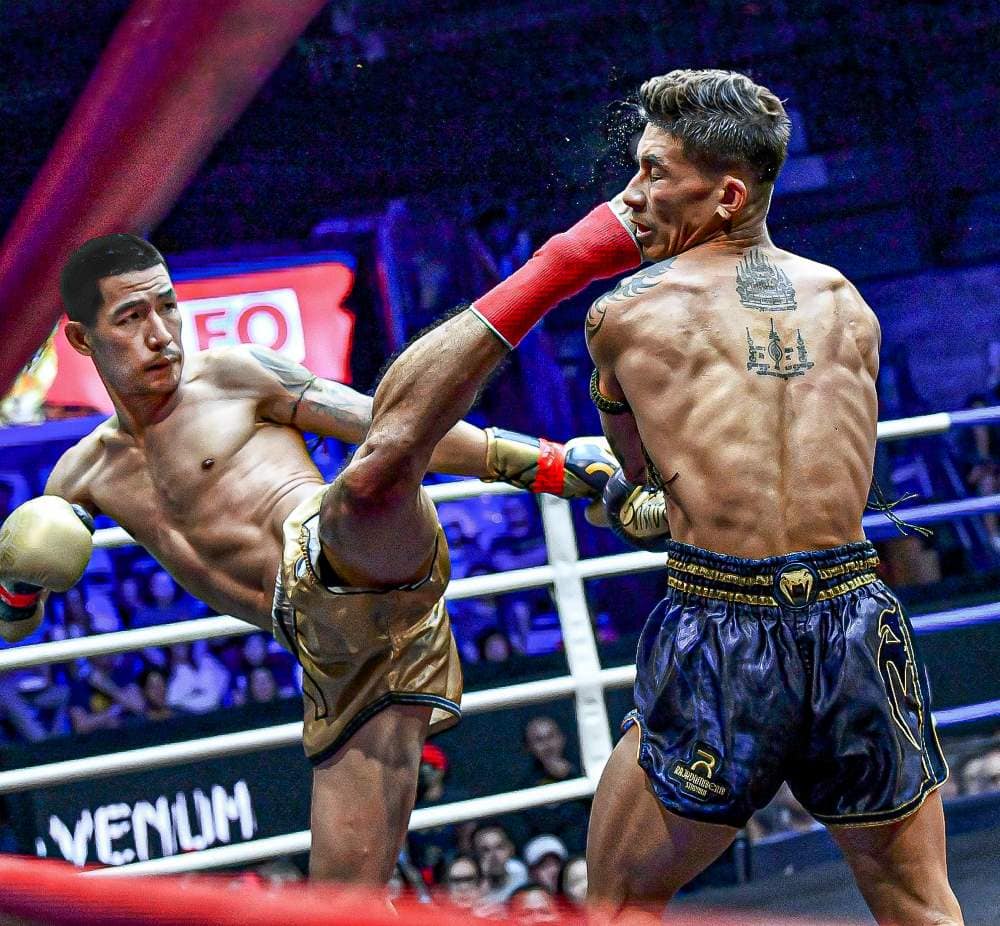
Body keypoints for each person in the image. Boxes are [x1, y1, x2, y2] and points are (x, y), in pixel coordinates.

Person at [357, 69, 962, 924]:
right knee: (919, 903)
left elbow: (641, 484)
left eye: (652, 173)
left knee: (620, 903)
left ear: (725, 195)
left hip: (726, 623)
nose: (627, 198)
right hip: (854, 616)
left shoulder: (627, 315)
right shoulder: (847, 302)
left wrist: (634, 492)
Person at [0, 234, 616, 883]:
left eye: (167, 307)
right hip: (332, 654)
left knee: (375, 471)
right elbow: (17, 624)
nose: (160, 334)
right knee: (343, 902)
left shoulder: (232, 375)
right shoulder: (81, 475)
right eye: (131, 317)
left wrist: (548, 467)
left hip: (338, 543)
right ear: (81, 338)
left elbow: (387, 425)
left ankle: (565, 300)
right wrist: (15, 583)